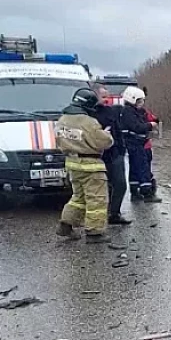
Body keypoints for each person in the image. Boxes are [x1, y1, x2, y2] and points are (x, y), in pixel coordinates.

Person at [55, 88, 115, 243]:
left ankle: (66, 225)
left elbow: (59, 141)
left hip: (72, 165)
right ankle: (94, 233)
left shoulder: (62, 120)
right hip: (91, 166)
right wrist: (108, 135)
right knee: (97, 200)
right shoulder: (89, 122)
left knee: (78, 197)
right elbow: (103, 142)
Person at [92, 84, 131, 225]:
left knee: (121, 185)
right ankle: (101, 215)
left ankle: (114, 213)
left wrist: (121, 149)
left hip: (115, 154)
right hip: (97, 156)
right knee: (101, 188)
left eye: (107, 96)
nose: (106, 99)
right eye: (103, 96)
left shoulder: (111, 111)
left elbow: (117, 130)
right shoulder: (89, 114)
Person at [121, 86, 162, 203]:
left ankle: (135, 191)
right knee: (143, 168)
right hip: (136, 144)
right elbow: (137, 127)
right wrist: (150, 125)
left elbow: (150, 118)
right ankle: (147, 193)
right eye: (139, 101)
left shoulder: (132, 111)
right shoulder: (129, 113)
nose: (141, 103)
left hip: (136, 144)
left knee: (134, 168)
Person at [141, 86, 160, 196]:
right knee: (145, 168)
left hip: (143, 145)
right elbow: (154, 119)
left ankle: (141, 189)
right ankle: (147, 190)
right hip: (143, 145)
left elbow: (155, 119)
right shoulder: (143, 112)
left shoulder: (133, 112)